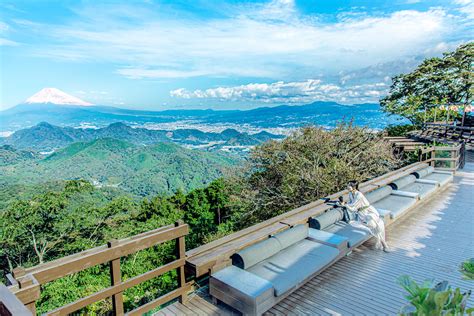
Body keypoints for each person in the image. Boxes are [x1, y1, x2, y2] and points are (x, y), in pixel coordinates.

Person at [341, 180, 391, 252]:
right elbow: (350, 203)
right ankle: (384, 244)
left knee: (375, 227)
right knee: (372, 228)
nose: (347, 186)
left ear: (354, 187)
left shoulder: (359, 195)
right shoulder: (350, 194)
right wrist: (344, 203)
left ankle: (384, 245)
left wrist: (345, 205)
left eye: (349, 185)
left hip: (368, 213)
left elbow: (353, 208)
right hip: (361, 214)